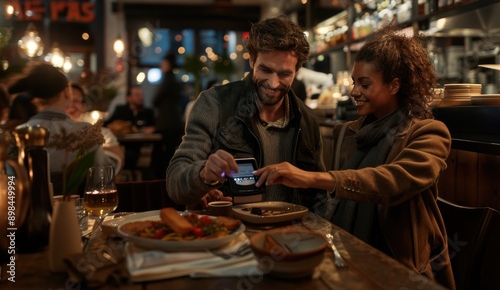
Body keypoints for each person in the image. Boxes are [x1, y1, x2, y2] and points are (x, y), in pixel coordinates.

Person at [254, 27, 455, 289]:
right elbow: (328, 205)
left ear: (394, 85)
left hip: (403, 273)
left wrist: (314, 178)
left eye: (365, 84)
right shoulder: (347, 133)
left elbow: (394, 182)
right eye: (353, 82)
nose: (354, 91)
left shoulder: (428, 132)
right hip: (345, 259)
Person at [166, 15, 326, 212]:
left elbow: (320, 195)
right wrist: (203, 174)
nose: (273, 84)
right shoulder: (214, 104)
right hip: (231, 233)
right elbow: (175, 184)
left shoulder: (307, 120)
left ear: (297, 71)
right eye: (265, 70)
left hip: (293, 236)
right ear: (251, 60)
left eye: (284, 74)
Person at [8, 63, 118, 195]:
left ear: (35, 98)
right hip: (75, 213)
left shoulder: (16, 135)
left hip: (29, 213)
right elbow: (103, 180)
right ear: (67, 92)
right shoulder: (85, 133)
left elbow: (10, 189)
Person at [67, 82, 124, 173]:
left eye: (76, 101)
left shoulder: (102, 133)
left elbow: (117, 161)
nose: (71, 105)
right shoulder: (52, 132)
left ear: (84, 106)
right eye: (67, 101)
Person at [104, 85, 155, 170]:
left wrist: (153, 128)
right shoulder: (121, 110)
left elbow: (154, 126)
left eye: (140, 95)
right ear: (129, 98)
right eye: (136, 95)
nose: (140, 97)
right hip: (123, 145)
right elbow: (107, 124)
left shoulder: (148, 112)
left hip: (140, 145)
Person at [151, 52, 184, 178]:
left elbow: (156, 99)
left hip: (168, 124)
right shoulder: (174, 80)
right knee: (169, 153)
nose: (161, 65)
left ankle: (163, 182)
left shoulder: (168, 80)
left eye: (163, 63)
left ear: (168, 65)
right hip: (174, 122)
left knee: (164, 156)